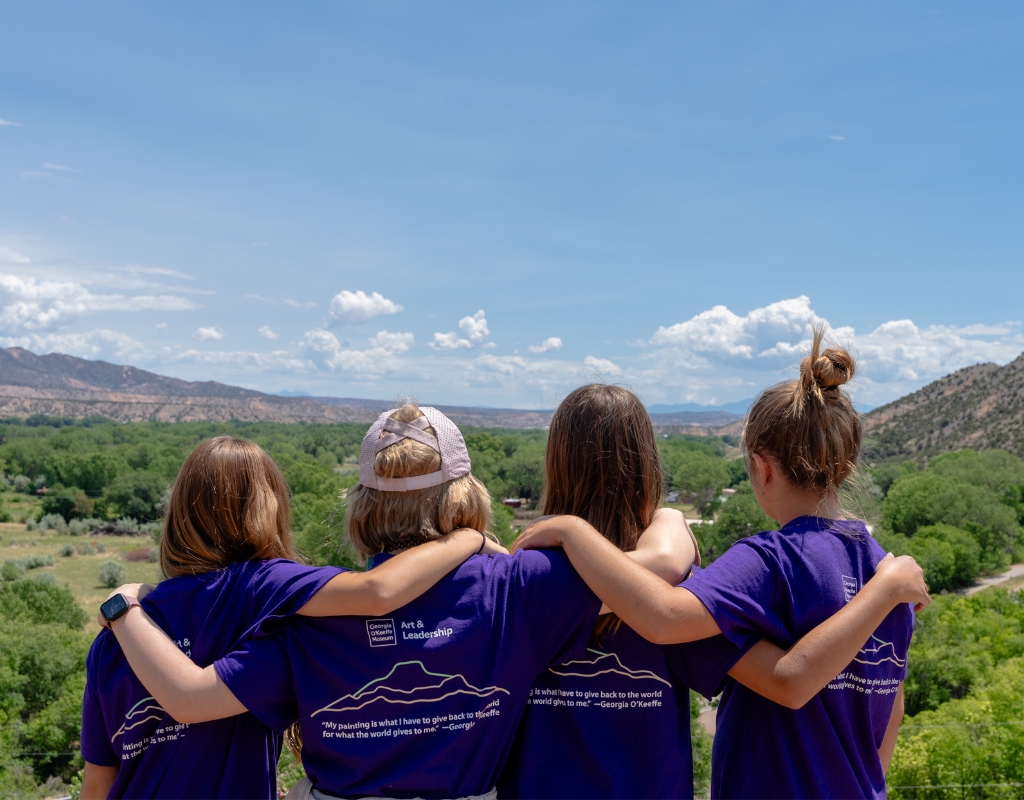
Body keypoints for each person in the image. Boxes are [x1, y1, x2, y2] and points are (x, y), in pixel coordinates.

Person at [514, 328, 923, 798]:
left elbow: (665, 615)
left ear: (761, 467)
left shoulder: (764, 565)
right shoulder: (891, 573)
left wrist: (570, 530)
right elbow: (891, 712)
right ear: (847, 463)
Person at [80, 435, 504, 800]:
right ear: (267, 508)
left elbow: (99, 780)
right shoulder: (262, 585)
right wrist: (468, 538)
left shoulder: (112, 642)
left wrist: (125, 607)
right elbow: (379, 592)